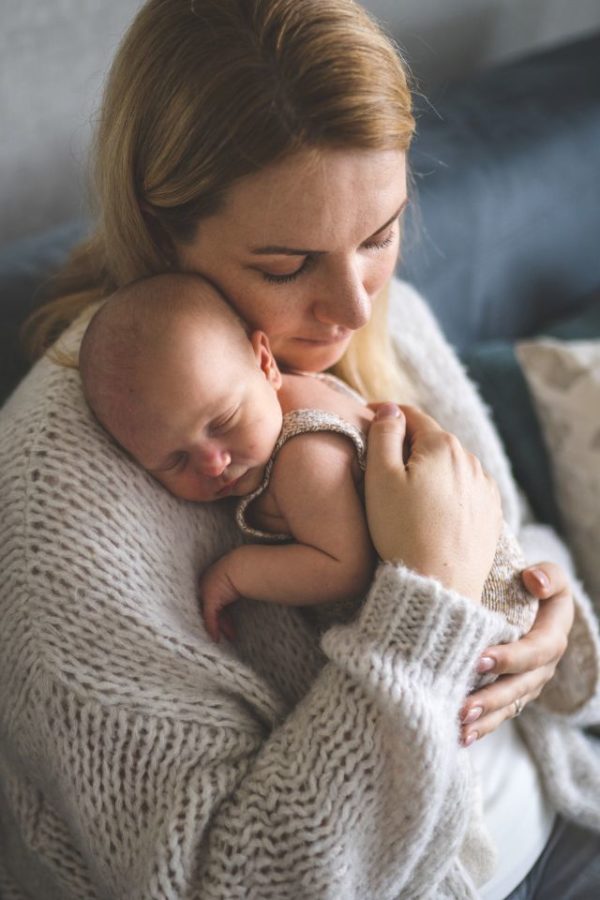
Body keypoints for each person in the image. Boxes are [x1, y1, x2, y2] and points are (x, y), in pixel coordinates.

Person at [0, 1, 599, 898]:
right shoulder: (60, 505)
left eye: (381, 233)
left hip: (566, 797)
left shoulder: (356, 329)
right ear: (163, 233)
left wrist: (554, 637)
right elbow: (228, 883)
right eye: (286, 266)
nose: (355, 305)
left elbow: (510, 535)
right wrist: (428, 599)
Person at [78, 271, 535, 647]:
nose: (213, 463)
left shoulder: (304, 453)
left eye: (223, 422)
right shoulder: (285, 393)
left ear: (265, 364)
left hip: (472, 614)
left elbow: (343, 567)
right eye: (175, 460)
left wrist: (236, 574)